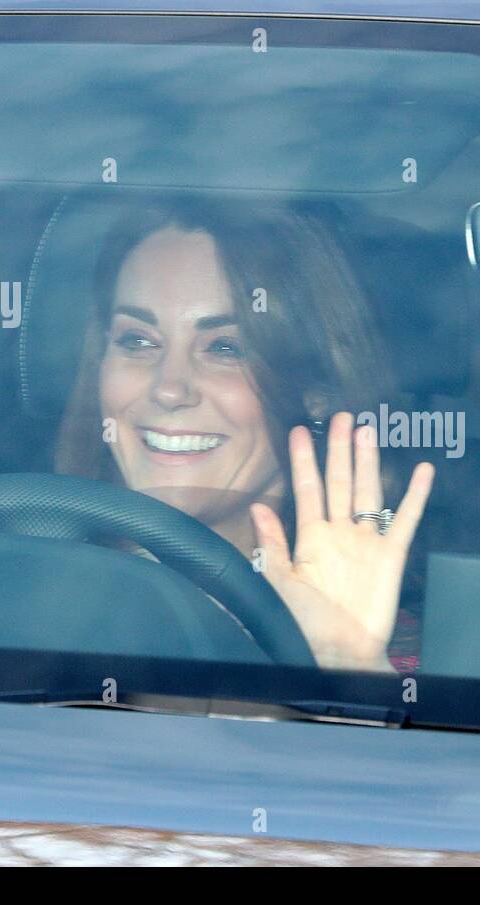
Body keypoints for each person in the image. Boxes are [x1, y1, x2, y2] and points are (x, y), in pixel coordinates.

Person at [54, 199, 434, 673]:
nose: (170, 389)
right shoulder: (9, 593)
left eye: (225, 347)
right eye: (138, 341)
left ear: (314, 392)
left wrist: (342, 667)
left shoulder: (417, 654)